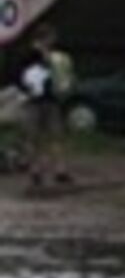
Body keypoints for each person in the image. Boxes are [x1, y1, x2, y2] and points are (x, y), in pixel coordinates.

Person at [17, 27, 72, 189]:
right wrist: (26, 90)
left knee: (56, 136)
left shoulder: (54, 56)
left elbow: (59, 74)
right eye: (50, 38)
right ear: (42, 38)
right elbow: (17, 75)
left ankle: (60, 170)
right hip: (33, 101)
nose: (53, 41)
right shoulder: (26, 55)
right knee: (33, 137)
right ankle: (36, 171)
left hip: (51, 100)